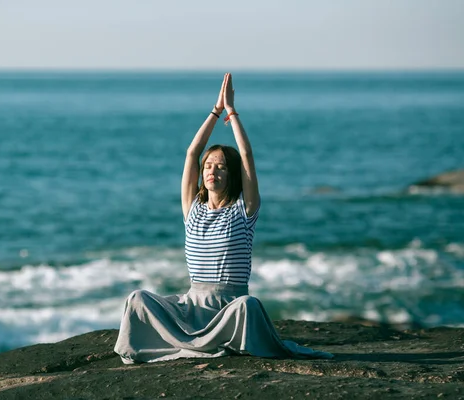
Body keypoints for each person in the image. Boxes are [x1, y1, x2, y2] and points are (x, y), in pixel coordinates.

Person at [114, 73, 333, 363]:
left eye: (220, 167)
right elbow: (191, 153)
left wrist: (231, 112)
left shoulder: (244, 211)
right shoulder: (192, 209)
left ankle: (210, 345)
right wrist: (215, 111)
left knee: (249, 306)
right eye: (208, 166)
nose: (211, 171)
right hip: (190, 309)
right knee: (137, 299)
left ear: (232, 175)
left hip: (229, 310)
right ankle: (185, 345)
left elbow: (247, 155)